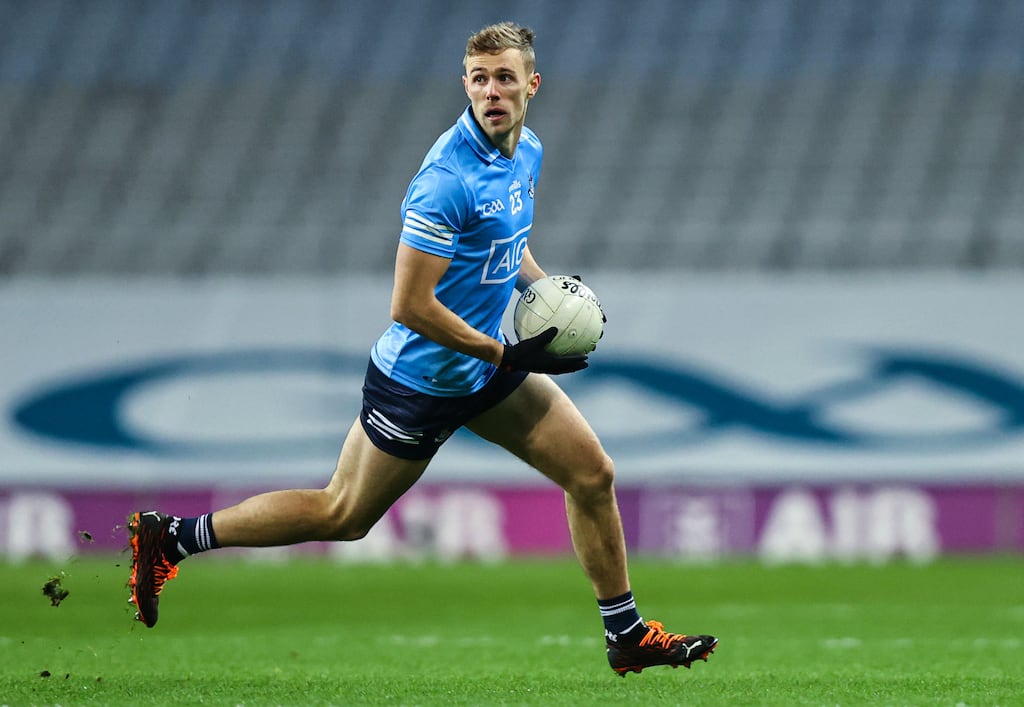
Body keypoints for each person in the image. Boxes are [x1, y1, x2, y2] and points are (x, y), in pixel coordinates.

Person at [127, 21, 717, 676]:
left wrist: (547, 291)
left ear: (532, 85)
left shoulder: (528, 154)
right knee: (342, 514)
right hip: (422, 380)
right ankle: (174, 537)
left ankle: (626, 633)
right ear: (465, 84)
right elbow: (409, 305)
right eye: (479, 78)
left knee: (592, 473)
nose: (492, 90)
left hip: (486, 367)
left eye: (504, 78)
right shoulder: (445, 179)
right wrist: (505, 356)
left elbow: (505, 239)